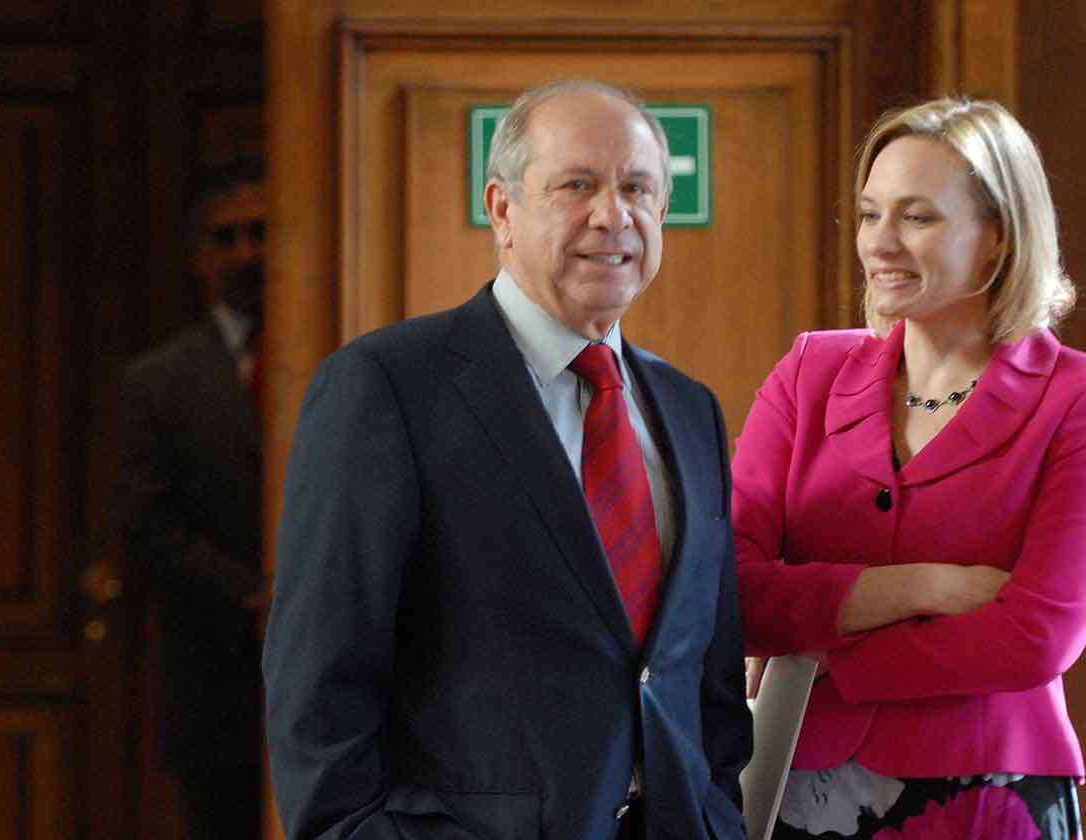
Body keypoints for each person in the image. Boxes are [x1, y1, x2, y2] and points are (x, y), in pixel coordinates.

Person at [262, 80, 751, 840]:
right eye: (577, 185)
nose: (612, 215)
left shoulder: (692, 411)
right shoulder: (388, 386)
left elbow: (707, 681)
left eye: (637, 189)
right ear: (502, 209)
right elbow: (321, 680)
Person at [732, 97, 1086, 839]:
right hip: (799, 786)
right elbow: (730, 588)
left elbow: (1038, 636)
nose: (880, 242)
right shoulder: (808, 372)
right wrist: (920, 587)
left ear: (999, 237)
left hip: (988, 793)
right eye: (869, 214)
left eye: (917, 217)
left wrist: (830, 656)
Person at [113, 160, 268, 840]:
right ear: (199, 257)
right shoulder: (158, 382)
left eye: (261, 232)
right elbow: (146, 522)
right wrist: (253, 597)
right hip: (216, 681)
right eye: (226, 238)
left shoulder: (346, 354)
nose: (247, 253)